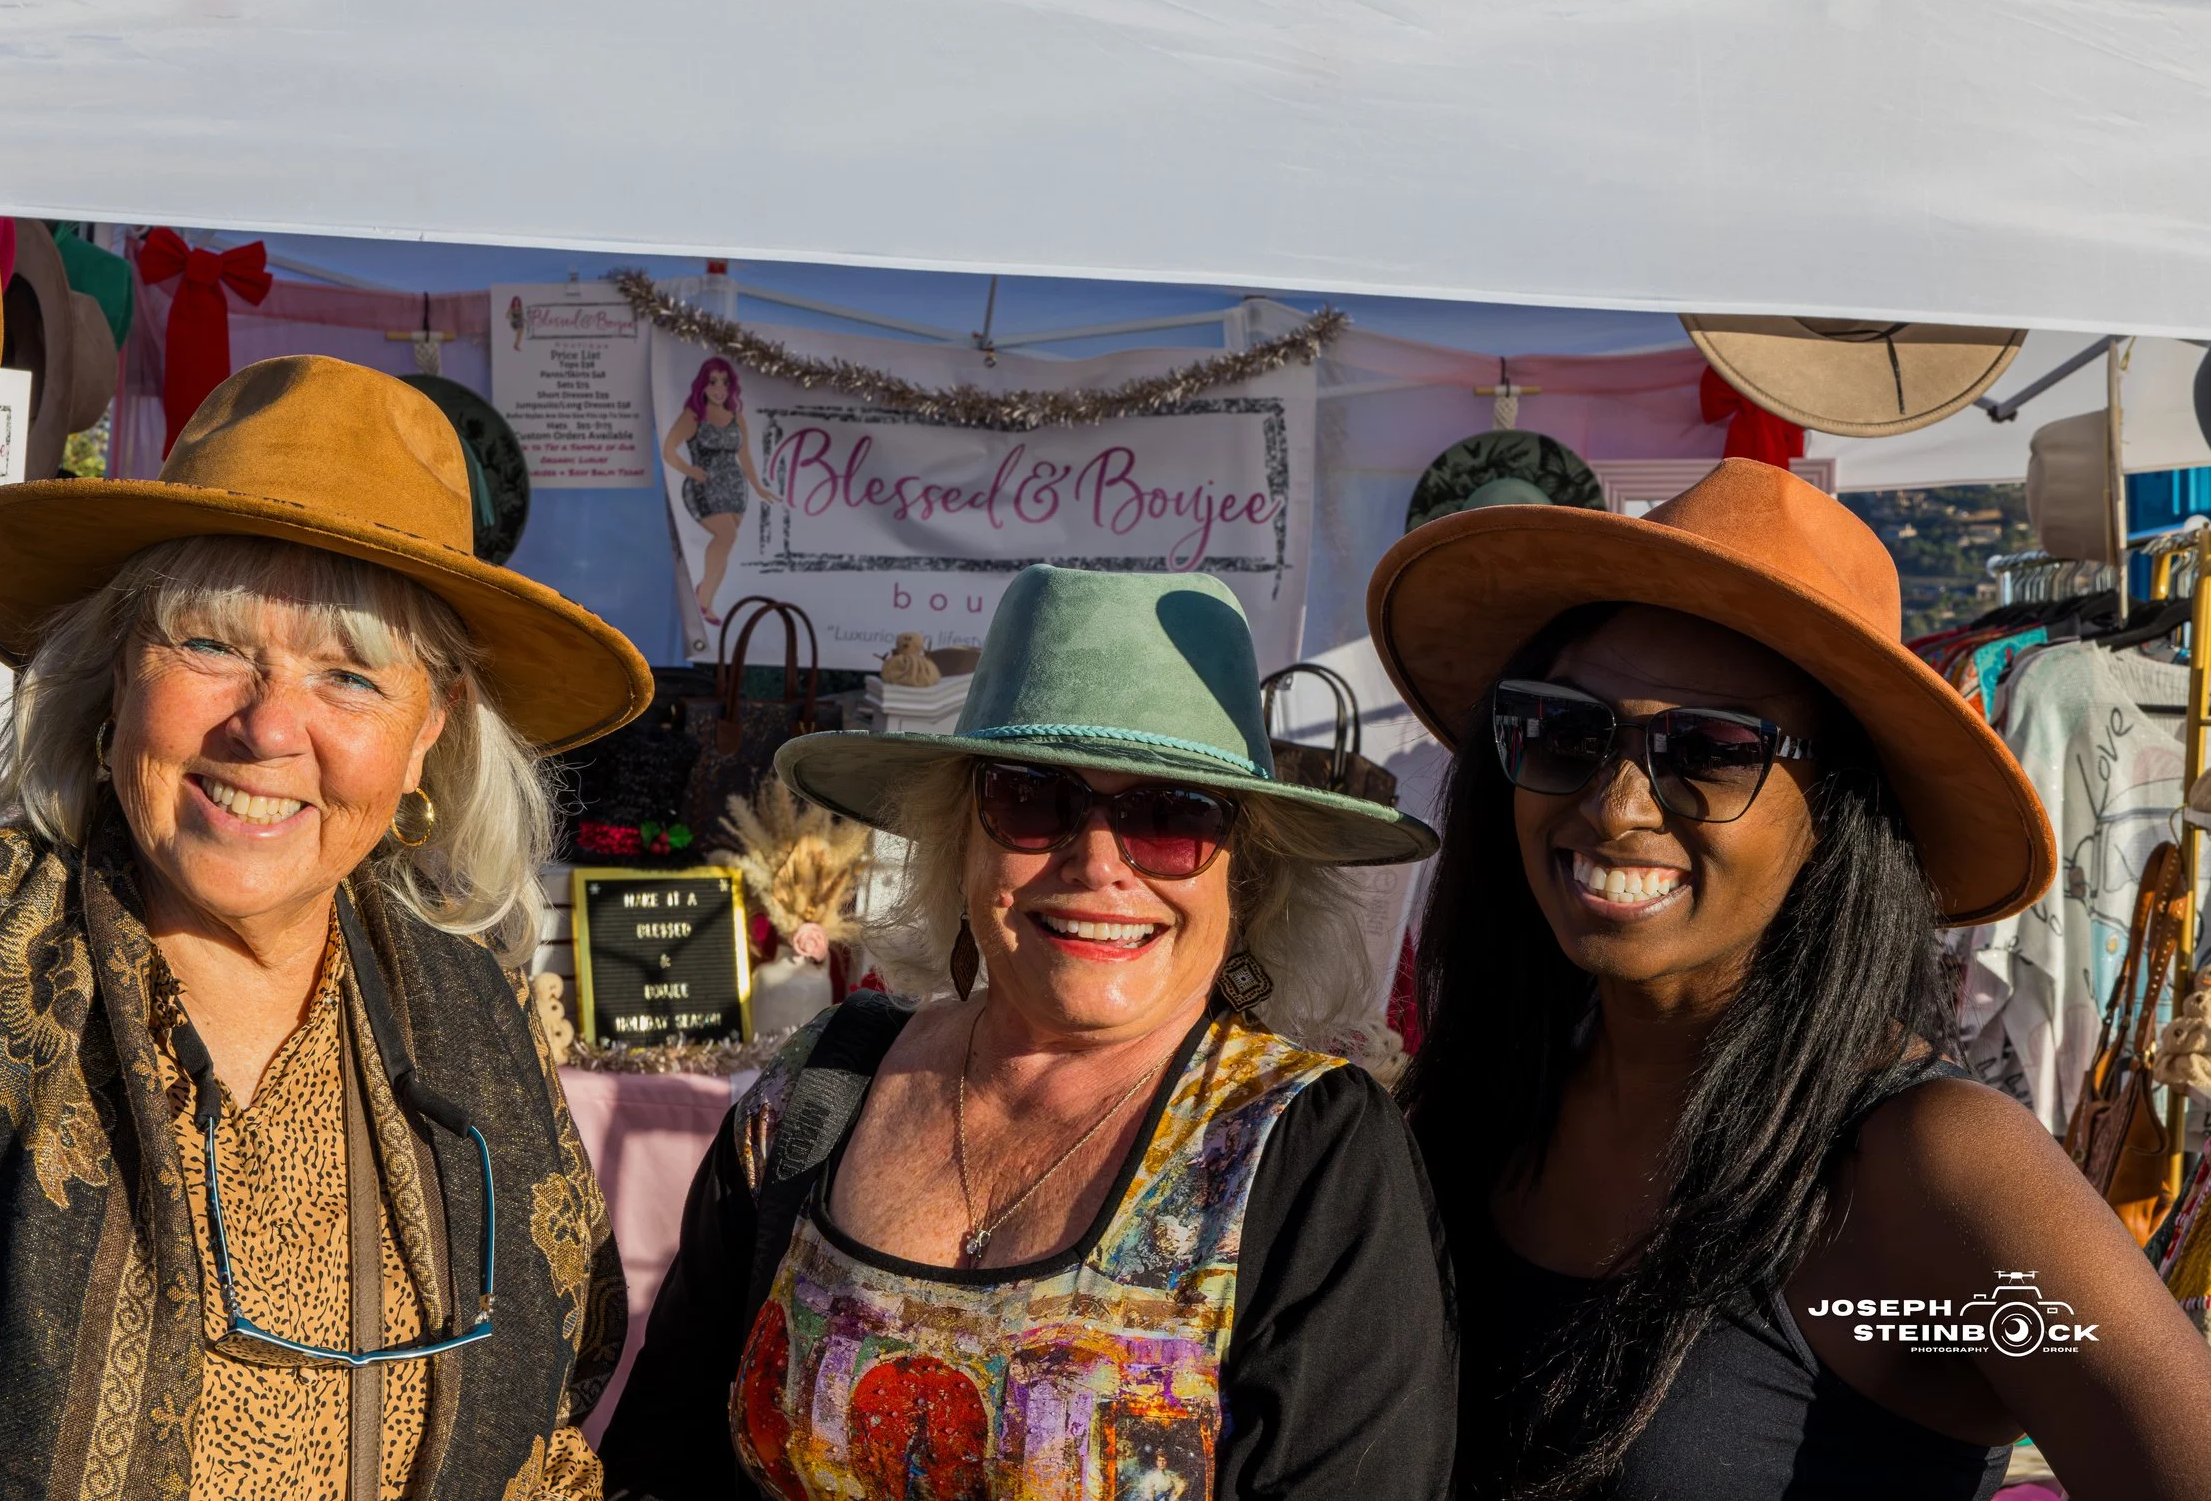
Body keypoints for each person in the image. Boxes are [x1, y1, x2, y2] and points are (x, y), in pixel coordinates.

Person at [0, 356, 652, 1500]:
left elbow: (539, 1438)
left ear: (428, 735)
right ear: (115, 670)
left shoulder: (476, 1024)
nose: (266, 727)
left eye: (350, 677)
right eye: (210, 644)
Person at [1367, 459, 2211, 1500]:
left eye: (1711, 748)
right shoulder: (1476, 1105)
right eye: (1565, 729)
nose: (1615, 805)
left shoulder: (1935, 1168)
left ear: (1837, 814)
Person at [601, 564, 1457, 1501]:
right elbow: (662, 1453)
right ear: (959, 835)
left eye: (1172, 816)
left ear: (1242, 873)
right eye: (1032, 797)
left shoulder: (1311, 1153)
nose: (1097, 864)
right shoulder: (822, 1085)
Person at [659, 356, 778, 626]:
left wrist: (758, 486)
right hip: (705, 486)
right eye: (713, 381)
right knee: (726, 536)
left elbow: (745, 456)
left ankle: (707, 599)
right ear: (702, 385)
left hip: (735, 486)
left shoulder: (737, 418)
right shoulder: (693, 417)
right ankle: (702, 598)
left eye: (725, 382)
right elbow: (669, 449)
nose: (719, 387)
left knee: (726, 544)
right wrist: (690, 471)